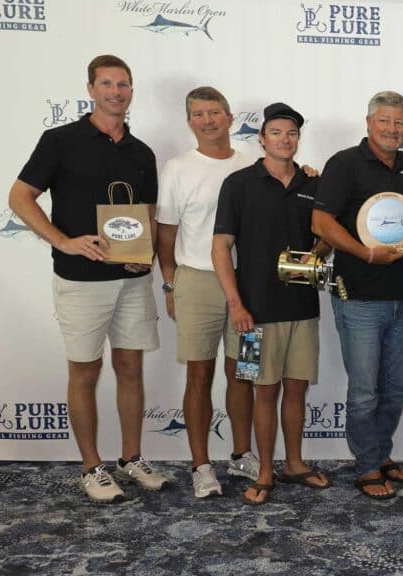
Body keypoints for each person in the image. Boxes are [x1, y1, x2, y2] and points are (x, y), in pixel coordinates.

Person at [8, 54, 166, 502]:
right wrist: (62, 240)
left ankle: (131, 457)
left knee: (131, 367)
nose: (116, 92)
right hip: (79, 279)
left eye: (124, 84)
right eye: (107, 84)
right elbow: (20, 197)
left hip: (133, 280)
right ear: (91, 89)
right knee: (85, 371)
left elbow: (148, 214)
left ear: (131, 91)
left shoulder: (142, 152)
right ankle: (92, 466)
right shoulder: (60, 140)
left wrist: (148, 254)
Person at [311, 91, 403, 499]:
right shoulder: (344, 163)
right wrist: (363, 251)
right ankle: (366, 466)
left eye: (400, 123)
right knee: (364, 390)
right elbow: (321, 220)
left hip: (402, 299)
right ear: (368, 123)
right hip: (358, 297)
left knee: (396, 388)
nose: (392, 129)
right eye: (385, 121)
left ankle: (379, 454)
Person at [212, 103, 331, 505]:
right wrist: (236, 305)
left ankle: (295, 463)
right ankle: (264, 470)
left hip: (302, 308)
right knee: (261, 390)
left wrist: (318, 252)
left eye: (292, 133)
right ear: (261, 138)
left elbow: (329, 235)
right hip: (252, 312)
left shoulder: (314, 183)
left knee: (296, 389)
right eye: (276, 132)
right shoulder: (238, 183)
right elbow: (220, 247)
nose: (285, 139)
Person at [156, 87, 260, 498]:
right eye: (198, 114)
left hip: (250, 284)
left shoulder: (255, 164)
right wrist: (169, 282)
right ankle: (201, 466)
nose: (207, 120)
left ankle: (240, 455)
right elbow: (166, 232)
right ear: (189, 122)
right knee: (199, 374)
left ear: (231, 118)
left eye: (214, 112)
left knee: (245, 373)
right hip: (196, 281)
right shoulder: (178, 168)